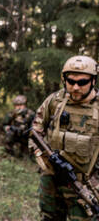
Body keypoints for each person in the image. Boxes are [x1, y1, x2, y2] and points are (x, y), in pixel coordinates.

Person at [30, 55, 99, 220]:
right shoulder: (55, 101)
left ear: (93, 81)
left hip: (86, 184)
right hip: (52, 178)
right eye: (70, 81)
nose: (75, 87)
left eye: (82, 82)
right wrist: (40, 155)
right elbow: (35, 129)